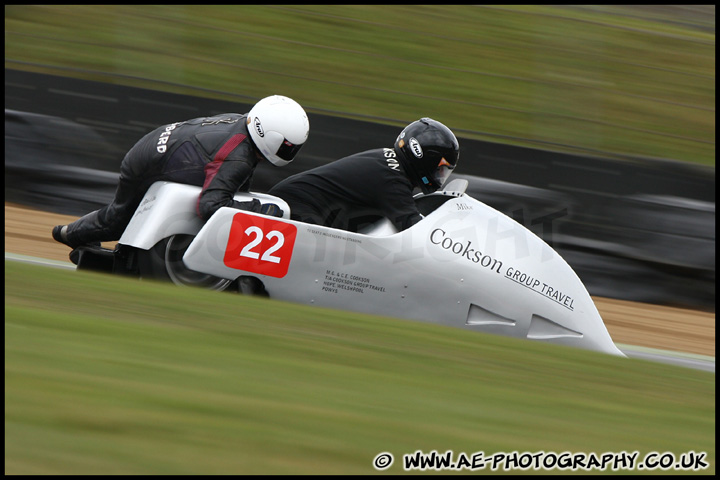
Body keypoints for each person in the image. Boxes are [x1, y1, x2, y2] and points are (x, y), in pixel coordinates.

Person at [52, 95, 309, 250]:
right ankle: (67, 233)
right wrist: (258, 209)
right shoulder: (238, 156)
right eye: (288, 146)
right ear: (270, 136)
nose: (290, 151)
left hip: (162, 145)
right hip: (148, 163)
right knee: (118, 222)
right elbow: (210, 206)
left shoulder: (245, 123)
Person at [267, 117, 459, 232]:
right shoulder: (393, 180)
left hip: (293, 202)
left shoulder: (388, 164)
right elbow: (414, 230)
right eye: (440, 169)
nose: (440, 176)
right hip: (293, 211)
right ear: (423, 157)